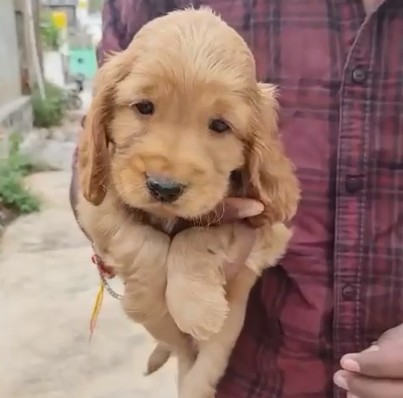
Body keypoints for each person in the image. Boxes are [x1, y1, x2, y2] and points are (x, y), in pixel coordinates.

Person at [70, 0, 403, 397]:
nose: (168, 173)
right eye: (144, 107)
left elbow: (272, 215)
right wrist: (153, 256)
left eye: (219, 124)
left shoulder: (261, 141)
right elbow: (88, 174)